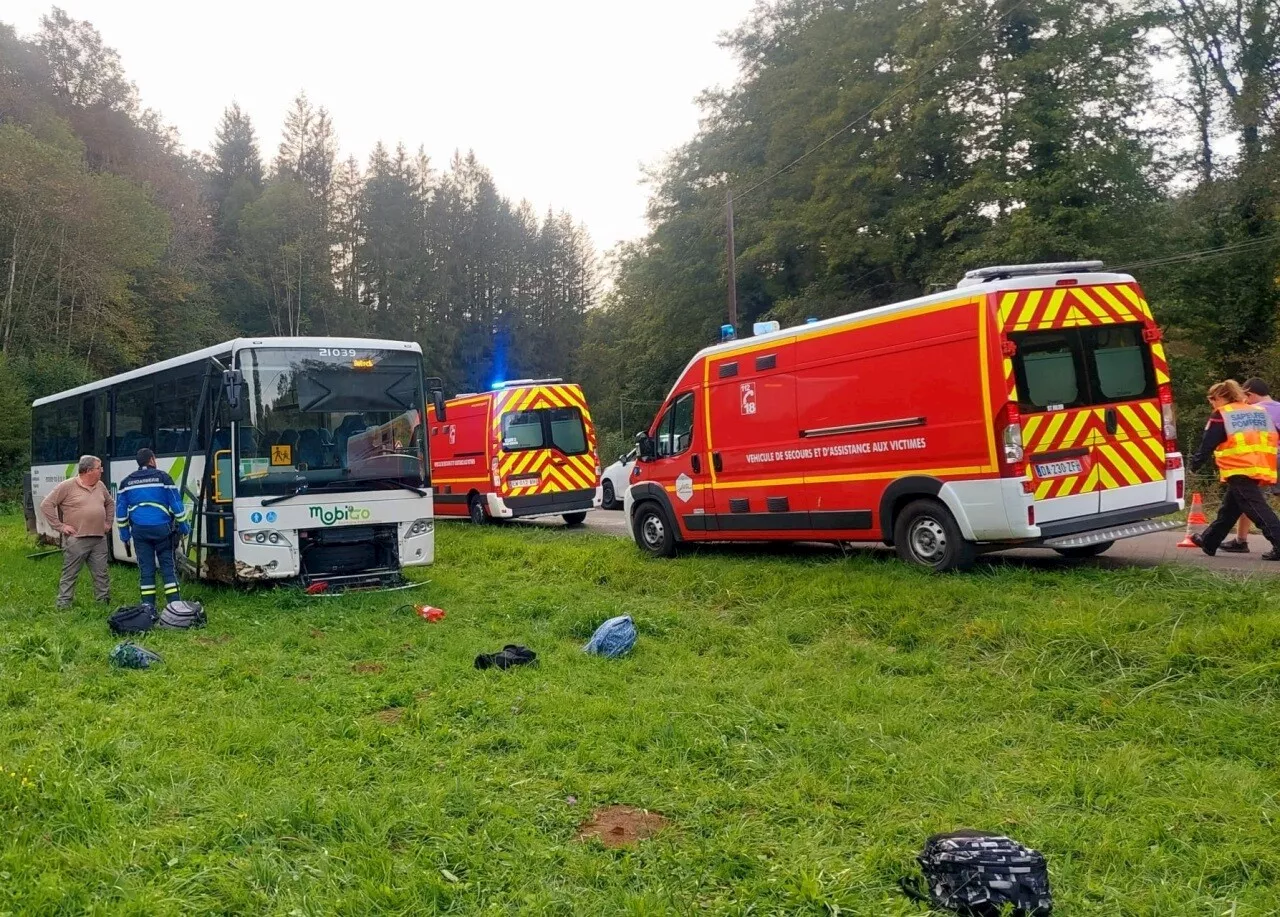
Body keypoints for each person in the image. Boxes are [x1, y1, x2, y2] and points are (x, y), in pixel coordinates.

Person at [1189, 380, 1280, 560]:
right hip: (1260, 464)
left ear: (1222, 397)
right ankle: (1209, 541)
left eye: (1213, 399)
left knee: (1256, 509)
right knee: (1230, 508)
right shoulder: (1258, 412)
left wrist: (1195, 464)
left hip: (1238, 466)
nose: (1212, 404)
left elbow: (1208, 443)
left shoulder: (1223, 414)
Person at [115, 448, 190, 607]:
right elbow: (177, 505)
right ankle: (174, 606)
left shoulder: (126, 482)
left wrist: (125, 536)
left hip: (140, 532)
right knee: (168, 569)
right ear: (152, 460)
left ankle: (148, 608)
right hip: (162, 530)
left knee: (146, 571)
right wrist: (184, 527)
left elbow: (121, 513)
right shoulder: (163, 478)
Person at [40, 455, 114, 609]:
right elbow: (46, 504)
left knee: (102, 573)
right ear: (88, 471)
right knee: (70, 573)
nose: (101, 471)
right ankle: (64, 604)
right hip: (77, 539)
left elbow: (110, 503)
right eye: (98, 468)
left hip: (99, 538)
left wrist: (108, 522)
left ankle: (103, 602)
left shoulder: (100, 485)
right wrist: (60, 527)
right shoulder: (67, 486)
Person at [1218, 377, 1280, 552]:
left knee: (1251, 502)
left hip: (1262, 460)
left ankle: (1241, 539)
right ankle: (1239, 540)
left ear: (1250, 394)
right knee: (1251, 500)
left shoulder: (1252, 411)